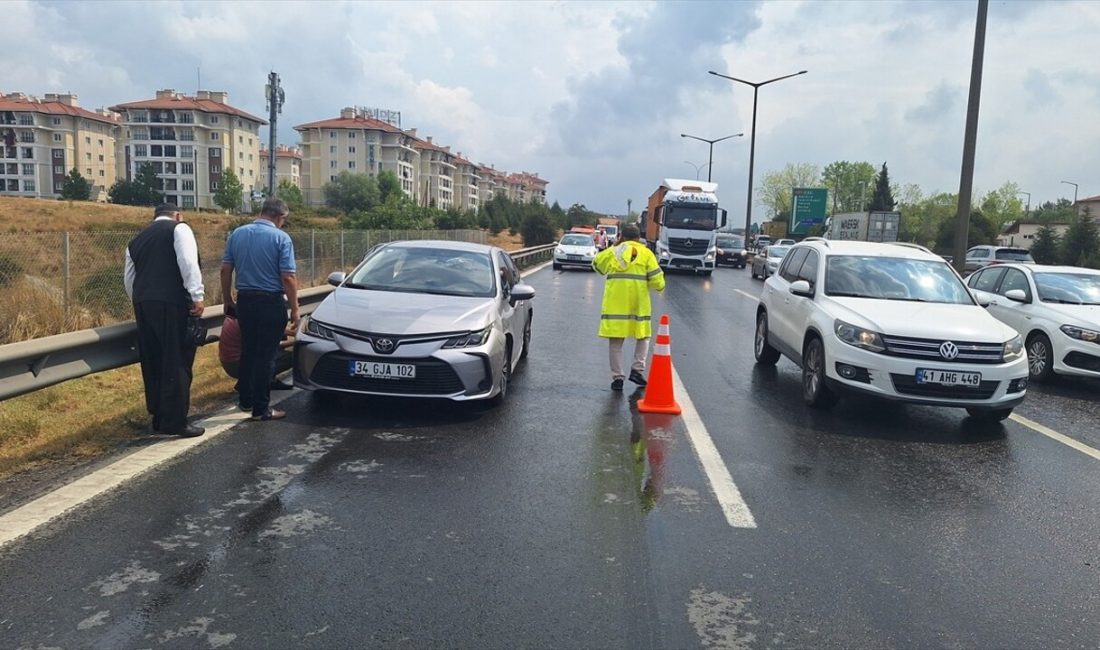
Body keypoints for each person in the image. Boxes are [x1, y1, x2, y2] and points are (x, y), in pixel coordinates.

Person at [124, 203, 205, 437]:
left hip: (143, 303)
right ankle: (176, 421)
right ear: (177, 215)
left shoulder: (136, 240)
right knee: (177, 360)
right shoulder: (180, 229)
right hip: (172, 302)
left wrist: (141, 300)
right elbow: (188, 263)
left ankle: (158, 417)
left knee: (153, 362)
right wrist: (196, 296)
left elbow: (129, 279)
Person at [220, 198, 299, 421]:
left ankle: (245, 400)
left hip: (245, 300)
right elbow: (288, 277)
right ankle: (261, 409)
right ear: (279, 217)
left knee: (249, 352)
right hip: (270, 301)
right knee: (266, 355)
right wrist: (294, 309)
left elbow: (225, 270)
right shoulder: (281, 238)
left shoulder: (237, 233)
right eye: (284, 220)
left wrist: (228, 299)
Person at [592, 223, 665, 391]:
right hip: (638, 304)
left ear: (621, 237)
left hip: (616, 305)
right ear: (638, 238)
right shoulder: (647, 254)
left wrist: (614, 247)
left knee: (616, 342)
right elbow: (658, 281)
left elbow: (596, 265)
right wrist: (658, 286)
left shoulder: (613, 252)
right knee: (643, 337)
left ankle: (618, 378)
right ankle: (637, 370)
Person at [218, 313, 294, 390]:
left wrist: (294, 333)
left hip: (231, 362)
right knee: (292, 357)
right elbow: (271, 345)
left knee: (279, 336)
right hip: (237, 366)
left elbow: (273, 329)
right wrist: (297, 341)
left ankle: (250, 380)